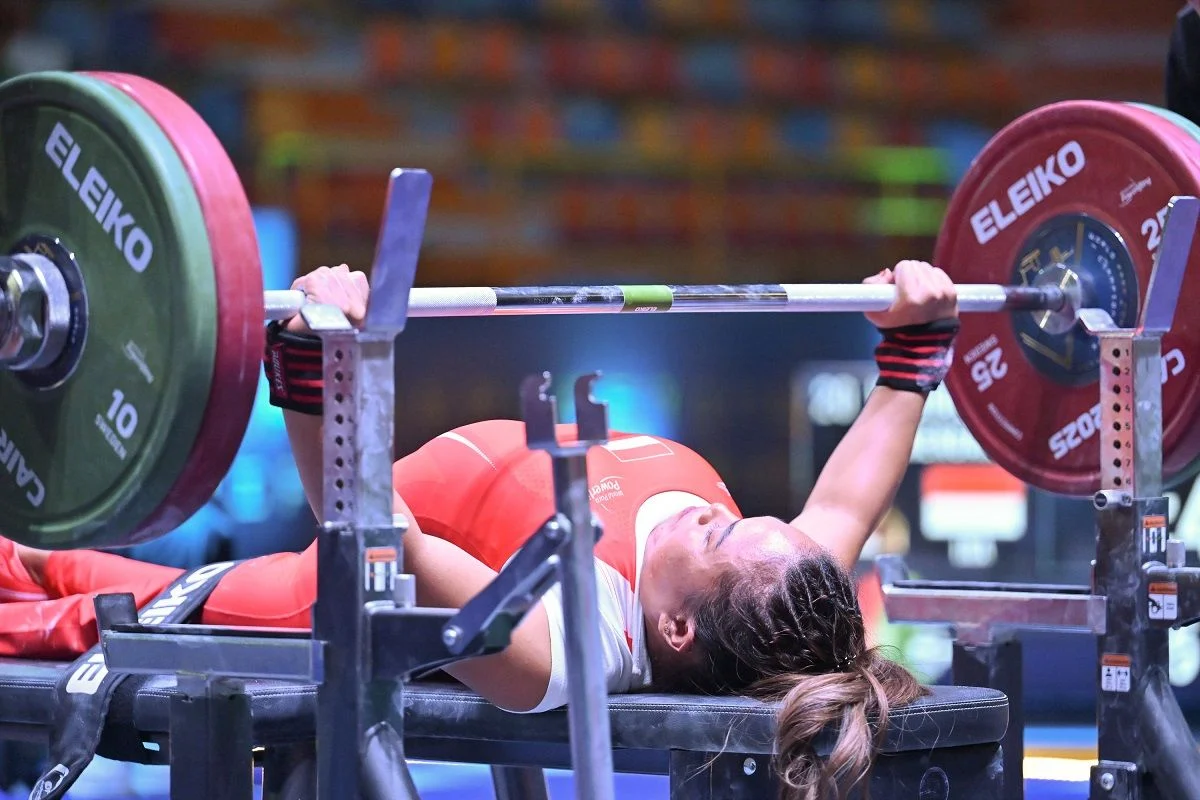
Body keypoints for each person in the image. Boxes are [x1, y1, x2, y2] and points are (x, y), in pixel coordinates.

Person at [0, 260, 959, 800]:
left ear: (674, 629)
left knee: (100, 605)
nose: (725, 512)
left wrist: (314, 361)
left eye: (719, 535)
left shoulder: (560, 646)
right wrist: (916, 341)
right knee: (77, 569)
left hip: (344, 584)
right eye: (752, 517)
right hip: (416, 519)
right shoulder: (782, 586)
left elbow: (371, 533)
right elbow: (841, 507)